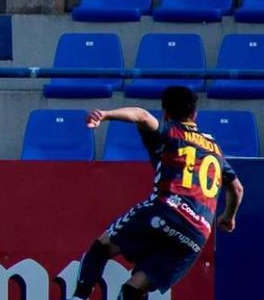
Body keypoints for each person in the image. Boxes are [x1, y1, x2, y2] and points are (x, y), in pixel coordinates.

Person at [70, 86, 244, 300]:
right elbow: (237, 188)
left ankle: (79, 296)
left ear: (166, 113)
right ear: (195, 115)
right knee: (133, 290)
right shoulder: (214, 148)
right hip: (197, 234)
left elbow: (141, 116)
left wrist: (105, 115)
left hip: (166, 212)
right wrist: (228, 216)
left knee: (100, 249)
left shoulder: (171, 131)